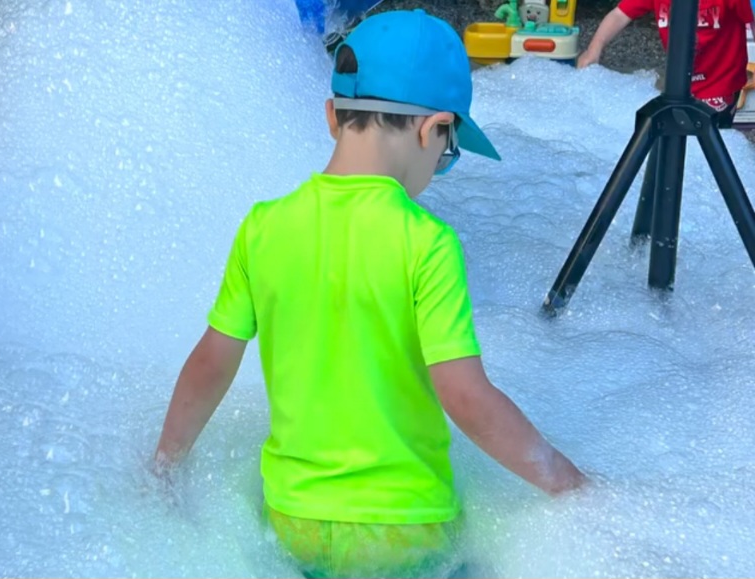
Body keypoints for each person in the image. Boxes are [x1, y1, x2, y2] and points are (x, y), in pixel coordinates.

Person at [154, 9, 587, 578]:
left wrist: (165, 462)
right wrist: (563, 478)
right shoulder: (427, 243)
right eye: (448, 152)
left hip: (292, 519)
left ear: (333, 116)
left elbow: (211, 362)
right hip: (404, 528)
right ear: (433, 130)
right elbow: (464, 396)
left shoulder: (263, 227)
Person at [578, 0, 755, 127]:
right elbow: (620, 13)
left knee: (708, 137)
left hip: (721, 80)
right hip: (680, 79)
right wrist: (594, 48)